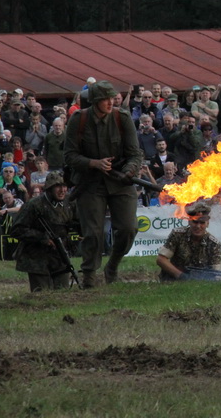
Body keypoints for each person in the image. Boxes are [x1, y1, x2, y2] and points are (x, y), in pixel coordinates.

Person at [64, 80, 143, 288]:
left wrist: (129, 171)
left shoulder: (122, 118)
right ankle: (89, 275)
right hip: (90, 183)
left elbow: (135, 154)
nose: (111, 102)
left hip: (120, 182)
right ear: (95, 101)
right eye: (105, 99)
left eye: (112, 98)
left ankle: (113, 265)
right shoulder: (78, 120)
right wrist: (93, 163)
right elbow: (69, 156)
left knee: (128, 228)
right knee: (93, 233)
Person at [10, 172, 78, 292]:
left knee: (63, 292)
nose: (62, 190)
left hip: (59, 255)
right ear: (49, 188)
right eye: (58, 186)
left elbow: (76, 222)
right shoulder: (33, 205)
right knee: (41, 295)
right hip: (36, 257)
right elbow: (17, 230)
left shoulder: (69, 202)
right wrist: (42, 238)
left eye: (64, 186)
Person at [156, 201, 221, 281]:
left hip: (200, 283)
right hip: (173, 280)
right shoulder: (178, 234)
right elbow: (161, 259)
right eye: (195, 222)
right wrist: (181, 276)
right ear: (189, 221)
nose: (198, 226)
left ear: (207, 224)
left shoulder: (213, 244)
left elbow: (218, 272)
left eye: (202, 223)